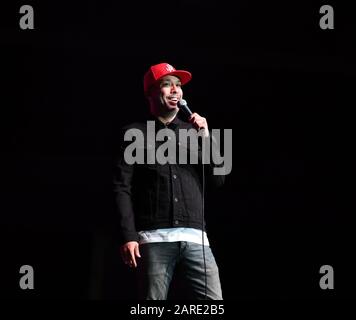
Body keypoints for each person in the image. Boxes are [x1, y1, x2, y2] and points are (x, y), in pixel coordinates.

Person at [114, 62, 225, 300]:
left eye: (178, 85)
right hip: (154, 239)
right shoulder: (134, 133)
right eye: (167, 85)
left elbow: (219, 179)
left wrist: (206, 137)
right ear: (151, 93)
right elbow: (121, 187)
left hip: (196, 238)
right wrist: (128, 236)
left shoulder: (195, 133)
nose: (175, 90)